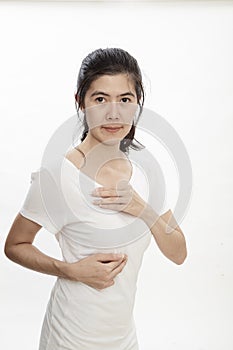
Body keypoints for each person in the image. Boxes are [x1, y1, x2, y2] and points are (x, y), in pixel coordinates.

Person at [4, 48, 187, 350]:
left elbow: (178, 253)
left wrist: (142, 208)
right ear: (81, 103)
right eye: (100, 99)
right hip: (69, 338)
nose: (113, 114)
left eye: (125, 100)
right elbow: (15, 245)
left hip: (124, 340)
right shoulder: (57, 176)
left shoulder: (143, 173)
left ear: (137, 105)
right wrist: (69, 270)